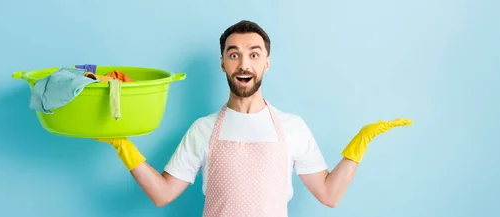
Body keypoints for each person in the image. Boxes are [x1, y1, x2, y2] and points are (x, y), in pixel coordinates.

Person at [96, 20, 412, 216]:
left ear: (266, 63)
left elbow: (329, 194)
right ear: (222, 64)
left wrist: (360, 144)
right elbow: (162, 194)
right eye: (234, 54)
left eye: (254, 54)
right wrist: (123, 146)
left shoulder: (293, 128)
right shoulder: (202, 129)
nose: (244, 63)